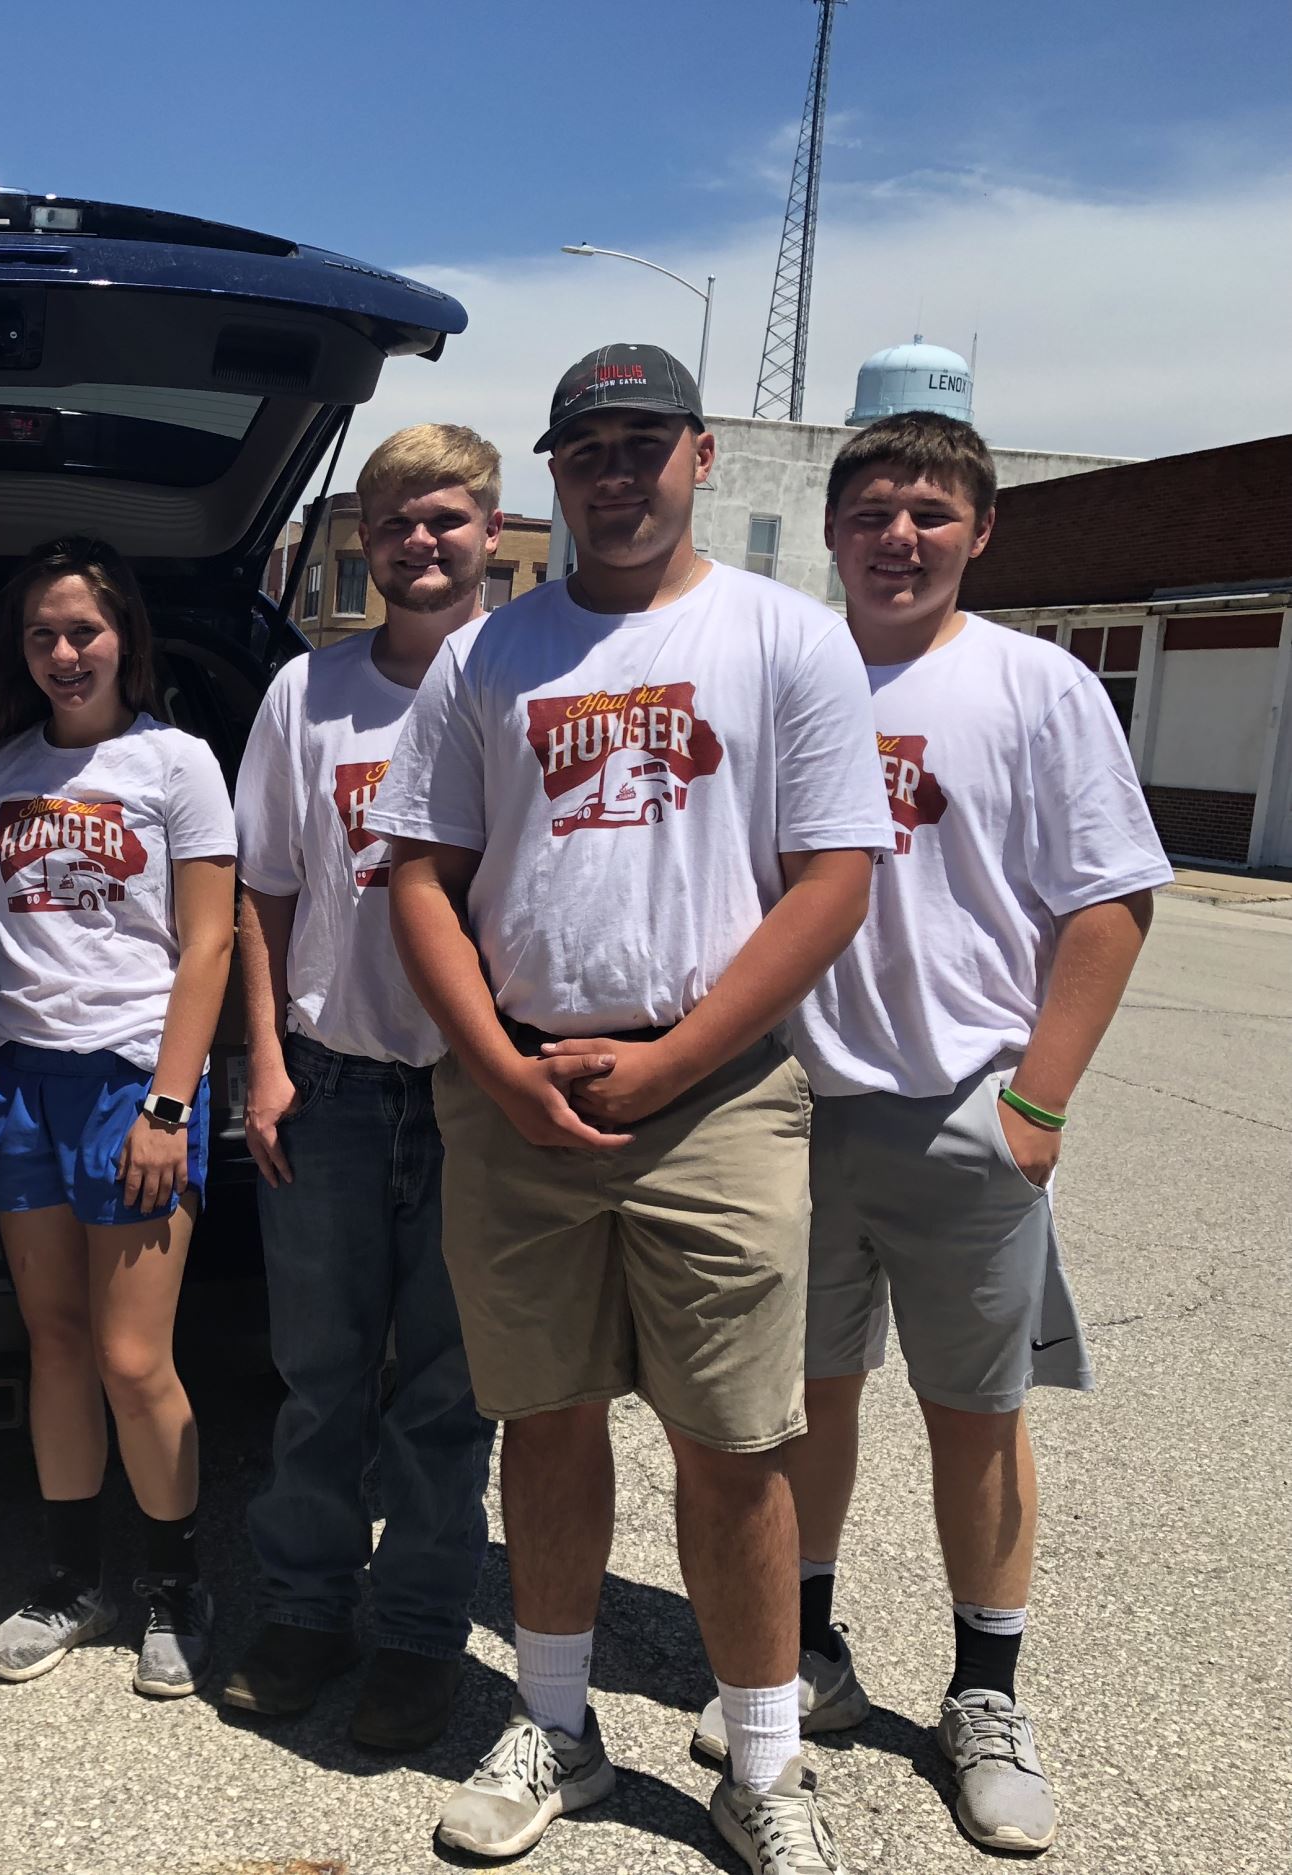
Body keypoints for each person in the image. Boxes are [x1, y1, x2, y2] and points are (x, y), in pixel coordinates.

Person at [372, 345, 893, 1875]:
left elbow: (834, 882)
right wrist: (492, 1061)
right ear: (556, 469)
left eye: (642, 443)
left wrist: (676, 1062)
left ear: (701, 455)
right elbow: (417, 871)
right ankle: (559, 1723)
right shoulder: (489, 656)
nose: (615, 472)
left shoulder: (787, 640)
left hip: (714, 1091)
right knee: (542, 1417)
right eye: (586, 447)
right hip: (518, 1086)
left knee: (734, 1439)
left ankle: (765, 1757)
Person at [687, 413, 1170, 1855]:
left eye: (931, 513)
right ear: (833, 531)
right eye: (875, 511)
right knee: (801, 1405)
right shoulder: (787, 677)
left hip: (967, 1105)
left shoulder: (1032, 685)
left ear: (980, 531)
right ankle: (814, 1651)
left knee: (977, 1417)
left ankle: (986, 1688)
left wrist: (1038, 1100)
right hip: (793, 1105)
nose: (901, 536)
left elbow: (1111, 900)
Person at [220, 427, 500, 1750]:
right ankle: (305, 1608)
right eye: (395, 521)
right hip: (326, 1081)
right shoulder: (308, 695)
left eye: (445, 517)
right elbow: (261, 888)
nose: (421, 542)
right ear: (364, 542)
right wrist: (261, 1059)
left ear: (490, 530)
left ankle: (416, 1637)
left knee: (447, 1394)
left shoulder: (521, 678)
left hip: (473, 1090)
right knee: (321, 1375)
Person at [0, 538, 237, 1699]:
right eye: (42, 637)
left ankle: (175, 1586)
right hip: (21, 1078)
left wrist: (169, 1102)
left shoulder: (176, 764)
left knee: (131, 1355)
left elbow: (208, 940)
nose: (64, 655)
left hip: (132, 1079)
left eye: (84, 633)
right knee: (55, 1345)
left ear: (126, 641)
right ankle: (73, 1579)